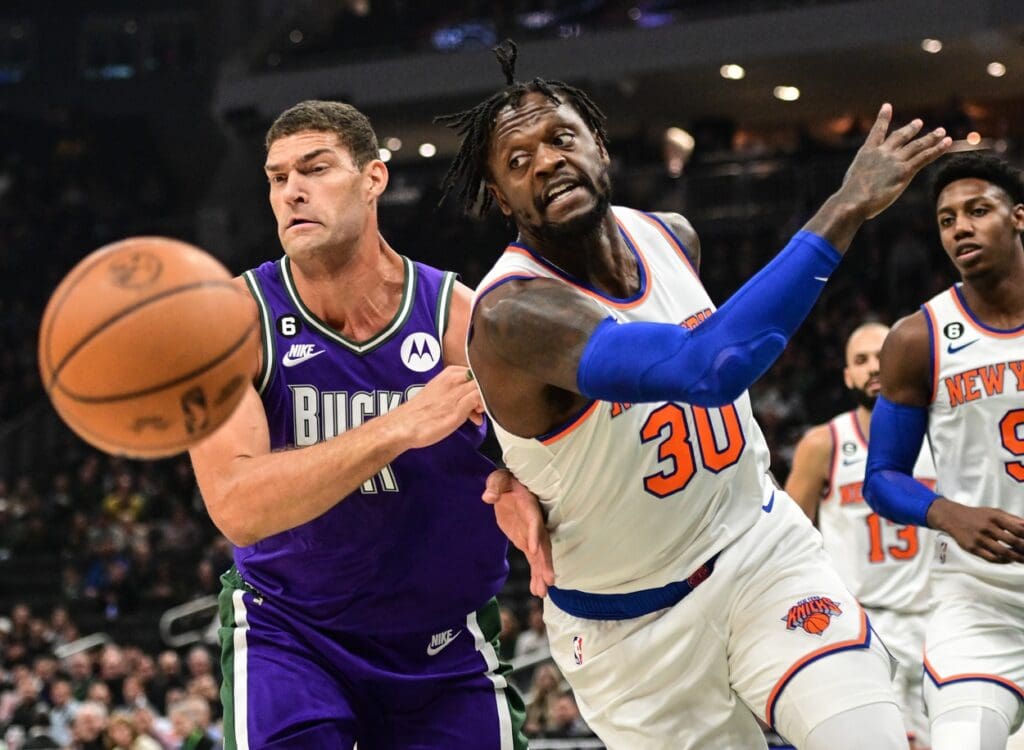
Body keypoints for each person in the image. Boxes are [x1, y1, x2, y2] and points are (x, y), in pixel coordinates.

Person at [438, 40, 951, 749]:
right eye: (518, 162)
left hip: (760, 553)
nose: (547, 161)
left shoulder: (672, 237)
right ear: (501, 199)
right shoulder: (514, 313)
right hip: (634, 633)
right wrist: (846, 206)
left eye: (561, 138)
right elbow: (709, 367)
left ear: (600, 147)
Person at [188, 100, 526, 748]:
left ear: (374, 178)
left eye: (314, 169)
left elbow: (546, 457)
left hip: (443, 644)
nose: (292, 191)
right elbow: (236, 505)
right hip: (291, 634)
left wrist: (527, 487)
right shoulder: (232, 321)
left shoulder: (459, 315)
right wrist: (399, 425)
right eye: (277, 176)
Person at [864, 151, 1024, 750]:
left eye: (978, 210)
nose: (960, 227)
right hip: (979, 599)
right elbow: (881, 478)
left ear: (1018, 218)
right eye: (946, 218)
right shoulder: (917, 337)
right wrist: (948, 513)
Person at [785, 321, 937, 748]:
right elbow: (788, 541)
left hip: (938, 617)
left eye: (881, 355)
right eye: (860, 360)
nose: (873, 367)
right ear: (847, 376)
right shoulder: (824, 443)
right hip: (864, 623)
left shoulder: (940, 434)